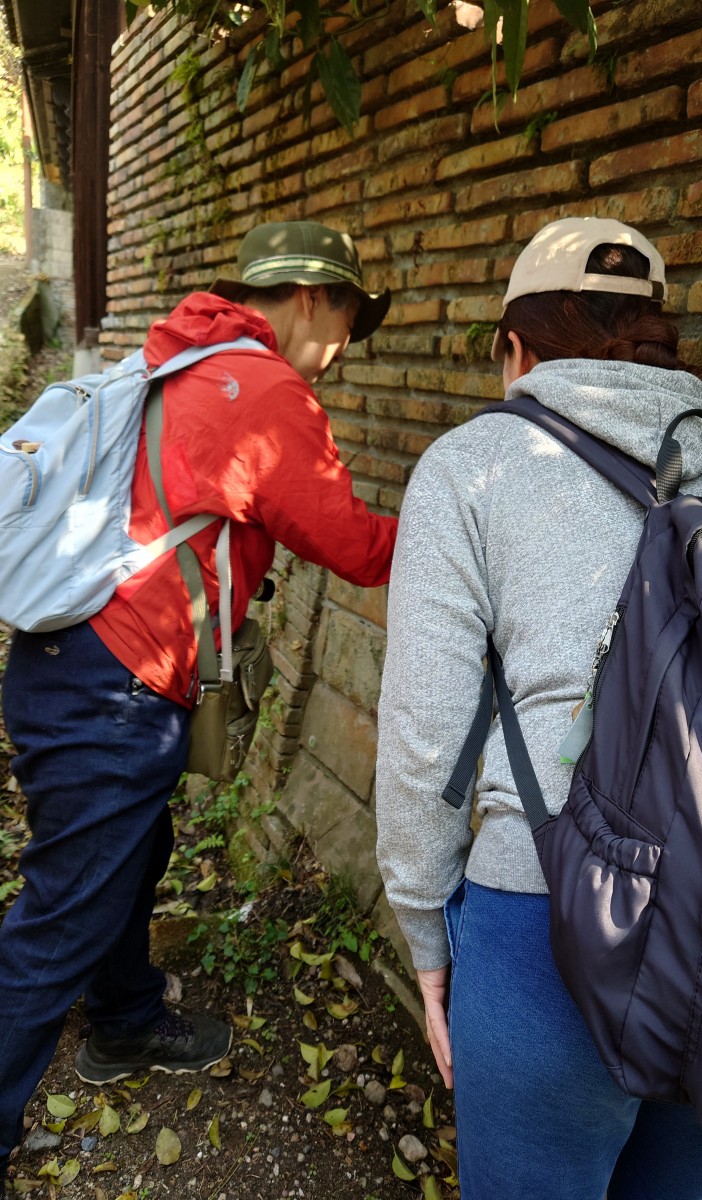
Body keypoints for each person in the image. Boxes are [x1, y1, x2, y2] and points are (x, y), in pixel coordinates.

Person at [375, 217, 702, 1200]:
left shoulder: (471, 470)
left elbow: (423, 737)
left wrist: (424, 934)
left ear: (514, 350)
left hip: (548, 930)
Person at [0, 220, 397, 1189]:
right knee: (58, 923)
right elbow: (351, 541)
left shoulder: (184, 356)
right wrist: (475, 528)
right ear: (311, 298)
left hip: (73, 667)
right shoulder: (264, 388)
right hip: (113, 687)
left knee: (134, 855)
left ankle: (127, 1022)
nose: (346, 349)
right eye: (349, 319)